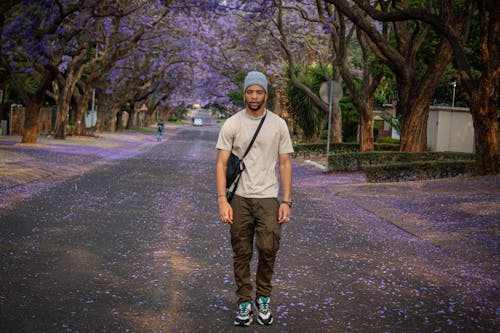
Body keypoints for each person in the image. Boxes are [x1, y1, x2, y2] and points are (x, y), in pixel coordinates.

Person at [215, 71, 294, 326]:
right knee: (241, 252)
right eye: (250, 92)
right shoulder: (233, 124)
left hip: (269, 197)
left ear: (266, 95)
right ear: (244, 94)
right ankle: (244, 303)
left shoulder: (278, 124)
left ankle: (263, 298)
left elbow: (284, 163)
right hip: (239, 197)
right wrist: (222, 200)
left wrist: (286, 200)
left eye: (259, 92)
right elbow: (221, 163)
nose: (254, 96)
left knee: (269, 248)